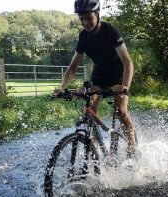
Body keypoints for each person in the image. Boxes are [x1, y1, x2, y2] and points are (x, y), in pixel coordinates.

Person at [55, 0, 137, 158]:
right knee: (90, 107)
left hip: (117, 73)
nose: (85, 22)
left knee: (120, 111)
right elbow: (73, 67)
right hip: (99, 74)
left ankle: (132, 143)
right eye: (81, 19)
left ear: (97, 14)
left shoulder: (111, 31)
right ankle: (92, 143)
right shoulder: (83, 37)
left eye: (88, 18)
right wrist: (63, 87)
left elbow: (127, 62)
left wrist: (124, 86)